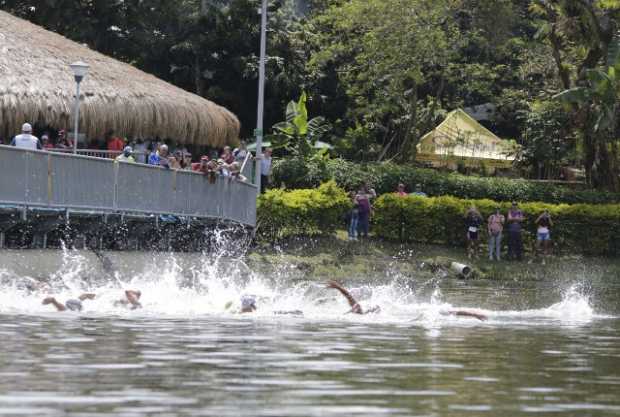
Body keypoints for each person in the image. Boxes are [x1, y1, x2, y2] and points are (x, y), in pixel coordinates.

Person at [327, 281, 486, 320]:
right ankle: (475, 314)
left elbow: (351, 299)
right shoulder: (393, 314)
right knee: (441, 312)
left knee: (440, 312)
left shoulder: (361, 313)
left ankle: (474, 314)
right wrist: (338, 288)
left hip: (414, 315)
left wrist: (339, 288)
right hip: (414, 316)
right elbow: (351, 299)